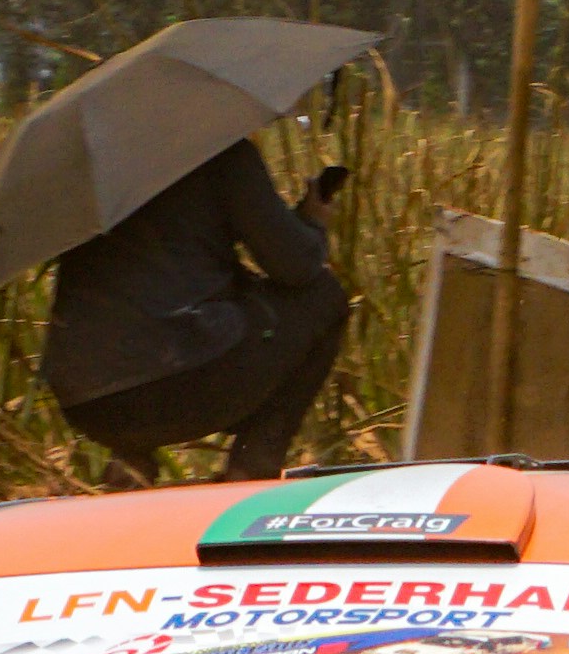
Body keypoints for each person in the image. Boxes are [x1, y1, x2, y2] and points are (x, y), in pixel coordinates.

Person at [43, 139, 353, 481]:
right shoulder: (218, 150)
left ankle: (130, 464)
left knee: (142, 325)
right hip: (181, 387)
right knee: (324, 297)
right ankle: (251, 467)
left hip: (89, 407)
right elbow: (296, 265)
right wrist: (311, 221)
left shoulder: (96, 163)